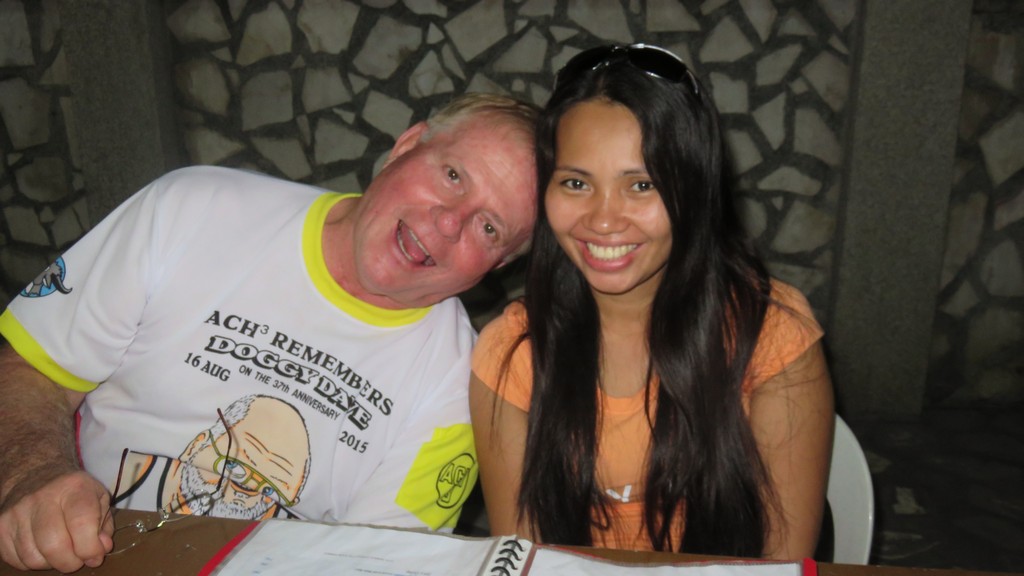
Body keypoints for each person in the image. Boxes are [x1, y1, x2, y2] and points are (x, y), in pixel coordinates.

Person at [0, 92, 538, 572]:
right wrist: (32, 475)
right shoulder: (193, 207)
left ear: (496, 266)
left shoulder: (458, 385)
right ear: (407, 145)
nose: (449, 222)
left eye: (489, 227)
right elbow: (31, 369)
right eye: (453, 175)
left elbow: (372, 563)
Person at [470, 44, 834, 560]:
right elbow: (523, 559)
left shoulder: (771, 335)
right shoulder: (512, 354)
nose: (603, 220)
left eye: (641, 184)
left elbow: (781, 564)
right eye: (576, 182)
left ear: (694, 187)